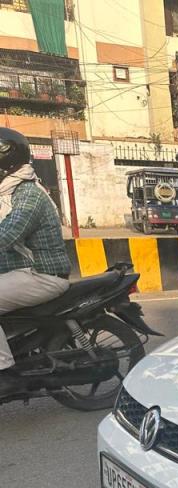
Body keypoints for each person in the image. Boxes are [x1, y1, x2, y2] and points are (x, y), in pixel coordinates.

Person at [0, 128, 70, 387]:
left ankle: (4, 373)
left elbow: (6, 235)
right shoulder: (8, 192)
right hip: (24, 273)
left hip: (44, 275)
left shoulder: (28, 194)